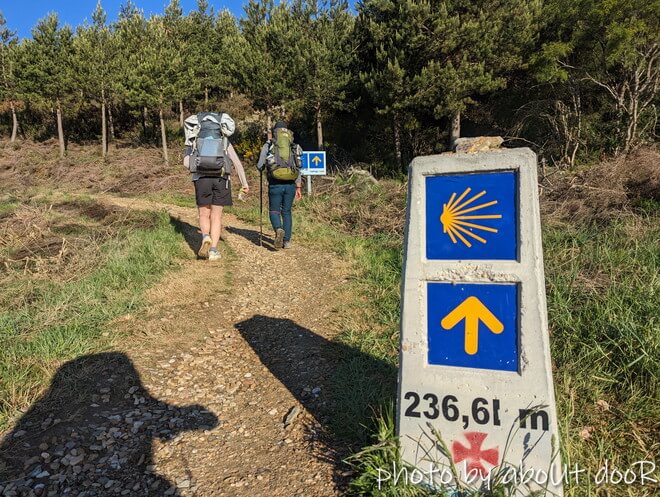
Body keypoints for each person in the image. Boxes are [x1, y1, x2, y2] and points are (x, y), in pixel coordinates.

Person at [184, 112, 249, 261]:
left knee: (203, 214)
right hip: (221, 179)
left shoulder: (194, 141)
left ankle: (205, 236)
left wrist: (198, 166)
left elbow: (186, 163)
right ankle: (213, 250)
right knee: (216, 216)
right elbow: (237, 164)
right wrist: (244, 183)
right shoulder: (224, 141)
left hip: (201, 179)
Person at [256, 121, 303, 250]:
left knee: (274, 211)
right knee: (286, 212)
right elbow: (298, 167)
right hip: (290, 184)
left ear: (274, 132)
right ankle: (286, 241)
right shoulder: (293, 145)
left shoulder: (269, 144)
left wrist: (264, 168)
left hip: (275, 183)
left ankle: (278, 229)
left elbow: (260, 165)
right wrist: (298, 187)